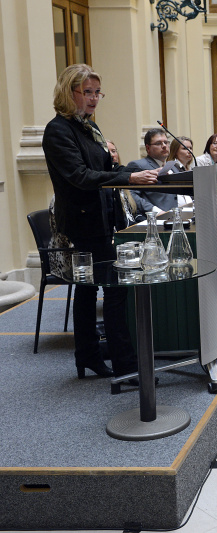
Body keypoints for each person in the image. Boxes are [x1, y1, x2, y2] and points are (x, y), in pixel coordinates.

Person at [42, 63, 159, 379]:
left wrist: (135, 175)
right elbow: (80, 176)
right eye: (87, 92)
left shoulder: (87, 126)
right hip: (84, 220)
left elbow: (106, 167)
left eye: (97, 93)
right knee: (113, 288)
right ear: (70, 92)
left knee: (89, 289)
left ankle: (88, 355)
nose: (94, 99)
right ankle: (125, 364)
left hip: (103, 216)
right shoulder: (58, 130)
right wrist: (130, 177)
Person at [127, 128, 178, 212]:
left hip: (179, 215)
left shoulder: (173, 166)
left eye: (166, 142)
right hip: (157, 218)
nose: (164, 145)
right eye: (158, 143)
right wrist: (154, 210)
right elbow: (131, 195)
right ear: (148, 148)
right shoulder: (138, 165)